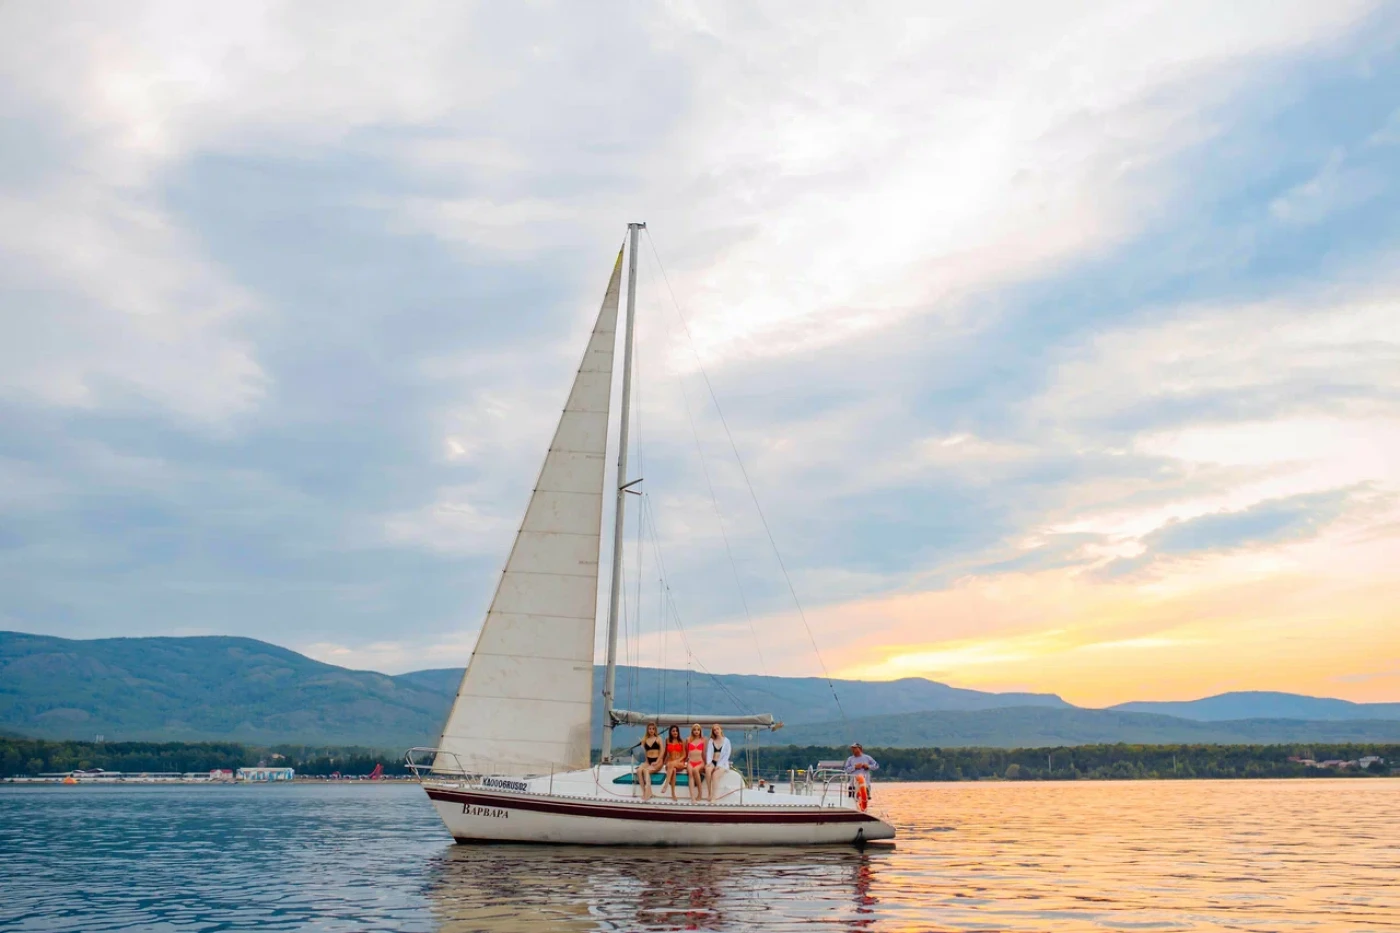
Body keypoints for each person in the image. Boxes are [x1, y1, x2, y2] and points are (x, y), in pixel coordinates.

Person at [843, 742, 879, 811]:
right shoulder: (850, 759)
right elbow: (846, 770)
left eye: (855, 748)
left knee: (864, 800)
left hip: (865, 784)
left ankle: (863, 811)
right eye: (852, 748)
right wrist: (854, 767)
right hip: (853, 784)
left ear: (860, 749)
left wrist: (868, 766)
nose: (853, 750)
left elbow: (876, 765)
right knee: (852, 801)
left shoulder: (867, 758)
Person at [704, 724, 732, 803]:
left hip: (722, 763)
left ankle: (714, 796)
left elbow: (727, 754)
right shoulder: (711, 741)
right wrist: (709, 763)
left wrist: (719, 765)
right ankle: (709, 793)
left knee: (715, 775)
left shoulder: (726, 741)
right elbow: (709, 752)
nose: (716, 731)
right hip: (713, 761)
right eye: (714, 730)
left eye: (717, 729)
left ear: (721, 730)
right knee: (707, 770)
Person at [636, 722, 663, 800]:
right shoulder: (645, 740)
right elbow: (646, 752)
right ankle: (645, 792)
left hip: (658, 761)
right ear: (647, 730)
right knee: (639, 770)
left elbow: (662, 751)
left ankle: (648, 793)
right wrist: (646, 762)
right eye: (650, 729)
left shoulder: (658, 738)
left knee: (646, 771)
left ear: (655, 730)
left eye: (653, 729)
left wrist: (657, 761)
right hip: (649, 761)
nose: (651, 730)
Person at [684, 724, 708, 801]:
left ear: (700, 731)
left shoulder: (703, 740)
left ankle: (700, 793)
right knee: (690, 774)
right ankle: (692, 797)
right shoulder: (688, 739)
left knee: (695, 770)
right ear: (692, 731)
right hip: (691, 761)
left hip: (700, 761)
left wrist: (706, 764)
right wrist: (683, 762)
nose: (696, 731)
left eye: (698, 730)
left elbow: (704, 753)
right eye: (694, 730)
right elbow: (686, 753)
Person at [662, 725, 685, 801]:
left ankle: (666, 785)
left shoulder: (681, 741)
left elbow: (684, 754)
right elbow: (665, 753)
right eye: (673, 731)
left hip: (679, 763)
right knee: (673, 770)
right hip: (670, 763)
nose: (675, 732)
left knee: (671, 764)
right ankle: (673, 794)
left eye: (676, 731)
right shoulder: (667, 740)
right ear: (670, 732)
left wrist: (677, 761)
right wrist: (661, 762)